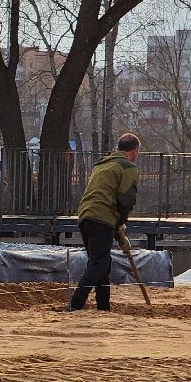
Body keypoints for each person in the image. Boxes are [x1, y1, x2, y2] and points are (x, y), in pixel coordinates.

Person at [69, 132, 140, 312]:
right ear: (135, 151)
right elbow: (126, 200)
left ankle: (103, 307)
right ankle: (75, 305)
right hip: (102, 218)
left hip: (85, 216)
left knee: (101, 262)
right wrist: (120, 223)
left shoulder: (101, 165)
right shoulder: (127, 167)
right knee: (98, 264)